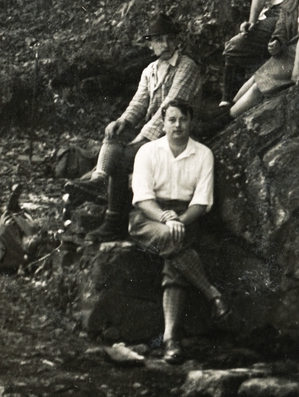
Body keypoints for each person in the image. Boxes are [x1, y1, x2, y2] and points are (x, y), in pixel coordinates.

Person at [65, 13, 202, 240]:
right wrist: (123, 121)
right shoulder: (150, 71)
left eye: (169, 39)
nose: (165, 45)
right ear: (151, 44)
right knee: (114, 134)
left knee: (121, 156)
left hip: (177, 135)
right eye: (159, 40)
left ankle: (113, 222)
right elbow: (139, 103)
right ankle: (99, 178)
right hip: (152, 134)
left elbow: (169, 111)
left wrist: (140, 139)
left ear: (177, 40)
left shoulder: (186, 67)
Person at [129, 98, 227, 364]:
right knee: (169, 237)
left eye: (183, 119)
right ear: (163, 123)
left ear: (191, 122)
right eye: (172, 119)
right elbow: (141, 198)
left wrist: (180, 220)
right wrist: (164, 217)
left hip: (185, 217)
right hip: (148, 217)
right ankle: (212, 294)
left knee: (174, 258)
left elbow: (202, 202)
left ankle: (171, 340)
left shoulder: (203, 154)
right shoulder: (148, 152)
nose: (178, 125)